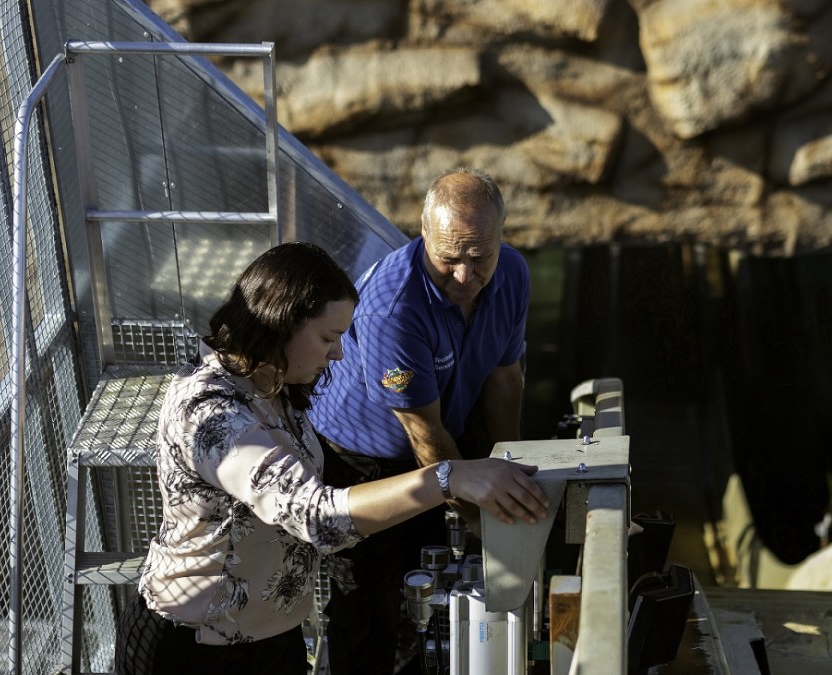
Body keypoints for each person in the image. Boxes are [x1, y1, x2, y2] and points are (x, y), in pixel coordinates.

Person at [114, 241, 547, 675]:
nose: (338, 353)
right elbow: (315, 516)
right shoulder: (209, 414)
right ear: (280, 323)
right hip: (195, 643)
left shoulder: (271, 384)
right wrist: (449, 477)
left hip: (270, 635)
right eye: (328, 337)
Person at [308, 167, 530, 674]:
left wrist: (512, 472)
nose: (464, 276)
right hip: (362, 457)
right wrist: (484, 521)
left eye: (480, 258)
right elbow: (422, 432)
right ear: (423, 233)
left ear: (501, 238)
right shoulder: (393, 307)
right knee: (368, 601)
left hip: (443, 427)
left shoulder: (513, 274)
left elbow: (504, 381)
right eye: (449, 258)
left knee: (425, 585)